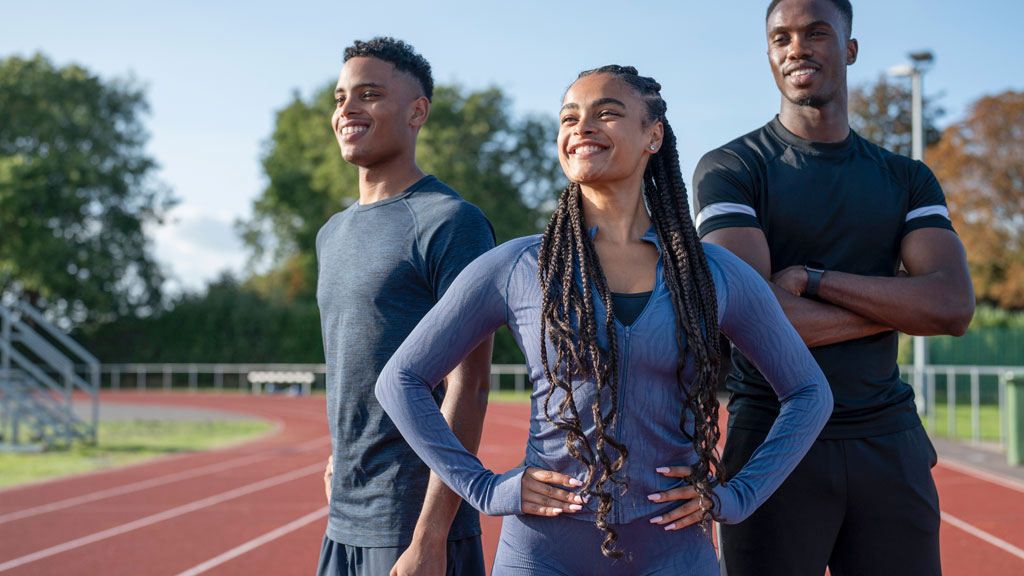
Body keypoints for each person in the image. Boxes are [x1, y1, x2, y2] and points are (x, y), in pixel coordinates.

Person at [376, 65, 832, 575]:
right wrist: (485, 488)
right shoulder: (517, 267)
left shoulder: (713, 273)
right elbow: (400, 380)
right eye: (569, 117)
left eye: (607, 114)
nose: (582, 127)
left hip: (676, 555)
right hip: (541, 556)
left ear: (652, 136)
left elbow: (809, 393)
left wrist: (738, 497)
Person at [692, 1, 975, 574]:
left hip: (888, 441)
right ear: (770, 55)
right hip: (774, 444)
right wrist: (900, 303)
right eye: (781, 37)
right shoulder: (730, 168)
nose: (797, 47)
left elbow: (952, 306)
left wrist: (815, 281)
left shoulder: (906, 177)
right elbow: (751, 323)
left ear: (848, 49)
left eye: (816, 33)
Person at [316, 37, 495, 576]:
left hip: (413, 522)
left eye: (368, 95)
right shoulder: (331, 233)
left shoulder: (450, 222)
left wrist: (431, 535)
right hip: (343, 516)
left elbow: (470, 384)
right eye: (340, 97)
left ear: (418, 111)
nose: (347, 109)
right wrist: (340, 456)